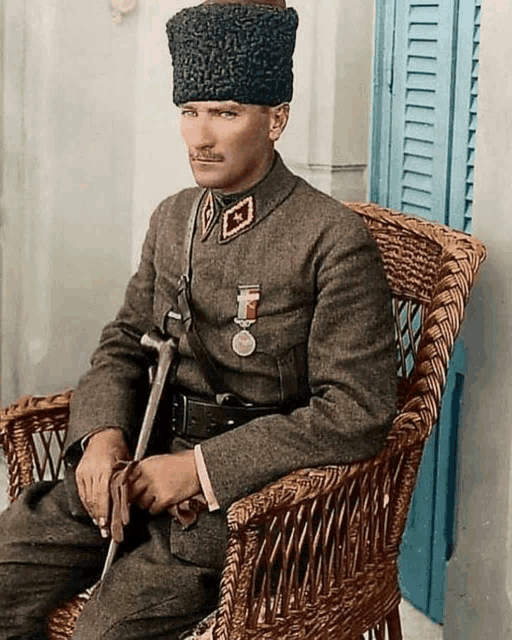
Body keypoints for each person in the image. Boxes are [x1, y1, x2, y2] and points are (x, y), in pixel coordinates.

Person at [0, 1, 397, 639]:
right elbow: (125, 344)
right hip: (137, 461)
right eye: (190, 112)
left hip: (242, 505)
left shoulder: (329, 236)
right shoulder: (174, 217)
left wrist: (200, 471)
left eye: (226, 112)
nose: (201, 137)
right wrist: (101, 438)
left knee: (107, 631)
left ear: (277, 120)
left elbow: (357, 411)